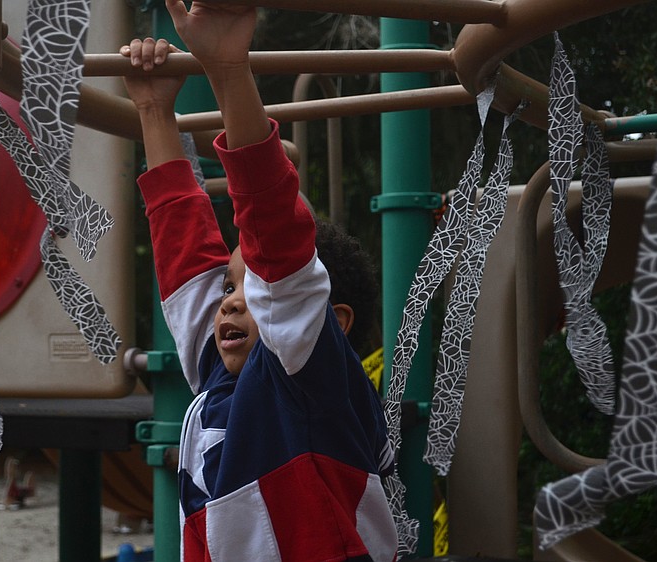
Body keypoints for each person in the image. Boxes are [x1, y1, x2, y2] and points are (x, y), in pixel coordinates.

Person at [121, 2, 398, 560]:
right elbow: (184, 250)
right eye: (229, 289)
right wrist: (153, 111)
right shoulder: (222, 380)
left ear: (329, 325)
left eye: (255, 292)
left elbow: (274, 227)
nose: (227, 305)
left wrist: (228, 72)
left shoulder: (311, 382)